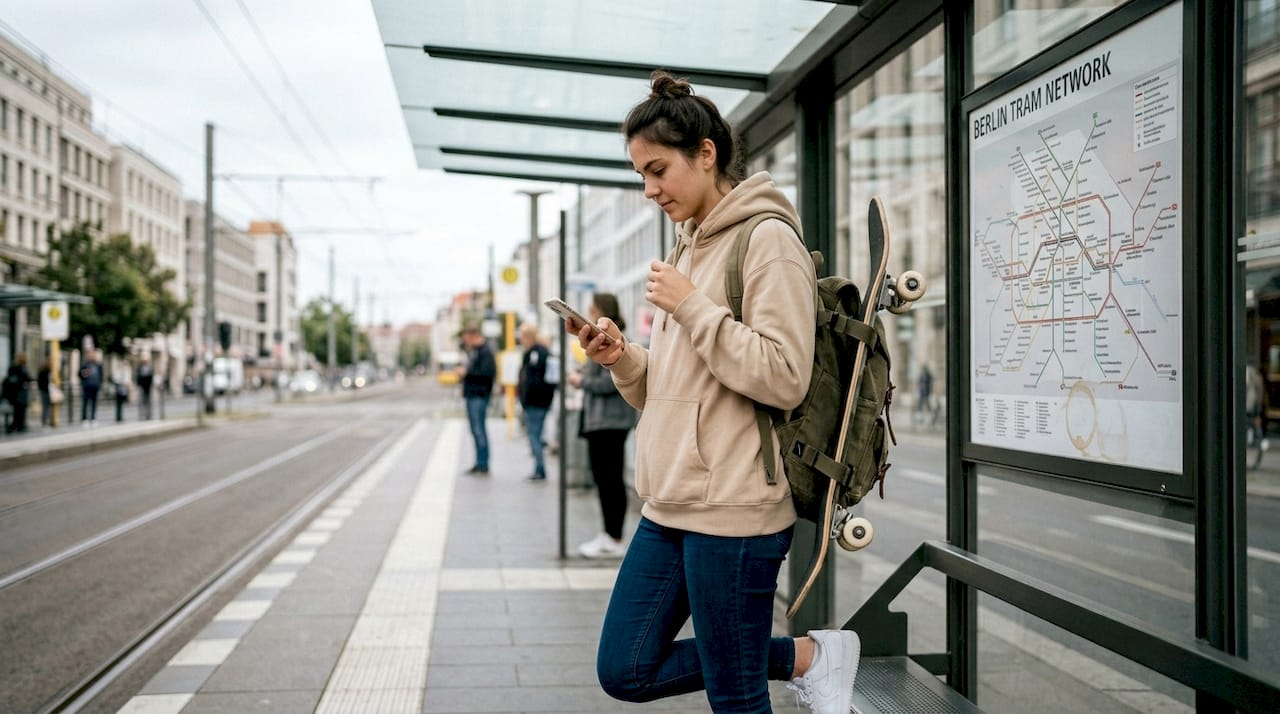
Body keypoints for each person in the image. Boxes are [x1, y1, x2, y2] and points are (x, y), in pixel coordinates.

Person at [566, 71, 859, 714]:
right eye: (640, 174)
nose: (649, 189)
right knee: (625, 667)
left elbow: (784, 376)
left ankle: (809, 658)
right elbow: (680, 386)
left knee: (736, 695)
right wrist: (624, 360)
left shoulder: (767, 241)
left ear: (707, 154)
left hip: (735, 508)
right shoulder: (688, 245)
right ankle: (809, 656)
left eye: (659, 169)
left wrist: (693, 307)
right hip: (670, 501)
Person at [568, 293, 638, 558]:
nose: (588, 311)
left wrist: (581, 381)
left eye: (592, 308)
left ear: (602, 309)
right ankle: (609, 534)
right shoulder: (600, 336)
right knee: (604, 479)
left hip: (608, 422)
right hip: (602, 421)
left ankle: (614, 537)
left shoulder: (612, 339)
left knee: (609, 480)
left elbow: (611, 381)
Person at [517, 323, 557, 481]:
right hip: (539, 402)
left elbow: (532, 380)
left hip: (535, 402)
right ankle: (538, 468)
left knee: (534, 435)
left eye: (522, 337)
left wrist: (526, 398)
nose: (521, 340)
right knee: (536, 435)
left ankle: (540, 469)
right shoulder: (543, 352)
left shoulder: (536, 354)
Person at [458, 325, 496, 475]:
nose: (466, 342)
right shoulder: (475, 352)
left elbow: (487, 374)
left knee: (479, 430)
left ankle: (483, 464)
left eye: (466, 339)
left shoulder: (485, 352)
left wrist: (466, 373)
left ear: (473, 336)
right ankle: (479, 462)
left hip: (479, 396)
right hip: (472, 395)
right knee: (475, 430)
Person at [3, 354, 32, 433]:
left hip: (16, 393)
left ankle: (16, 425)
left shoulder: (14, 368)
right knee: (19, 410)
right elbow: (26, 378)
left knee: (18, 410)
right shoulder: (21, 369)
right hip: (19, 393)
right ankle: (18, 425)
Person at [80, 350, 103, 425]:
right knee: (85, 403)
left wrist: (99, 384)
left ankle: (93, 418)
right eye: (90, 355)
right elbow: (80, 374)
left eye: (93, 355)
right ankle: (84, 419)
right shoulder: (85, 364)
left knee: (94, 403)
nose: (92, 356)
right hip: (87, 386)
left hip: (95, 387)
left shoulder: (98, 364)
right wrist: (84, 375)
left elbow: (101, 375)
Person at [37, 360, 52, 427]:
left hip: (44, 390)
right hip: (46, 391)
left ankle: (45, 420)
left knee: (46, 406)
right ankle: (45, 421)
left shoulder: (42, 372)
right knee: (46, 406)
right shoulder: (46, 372)